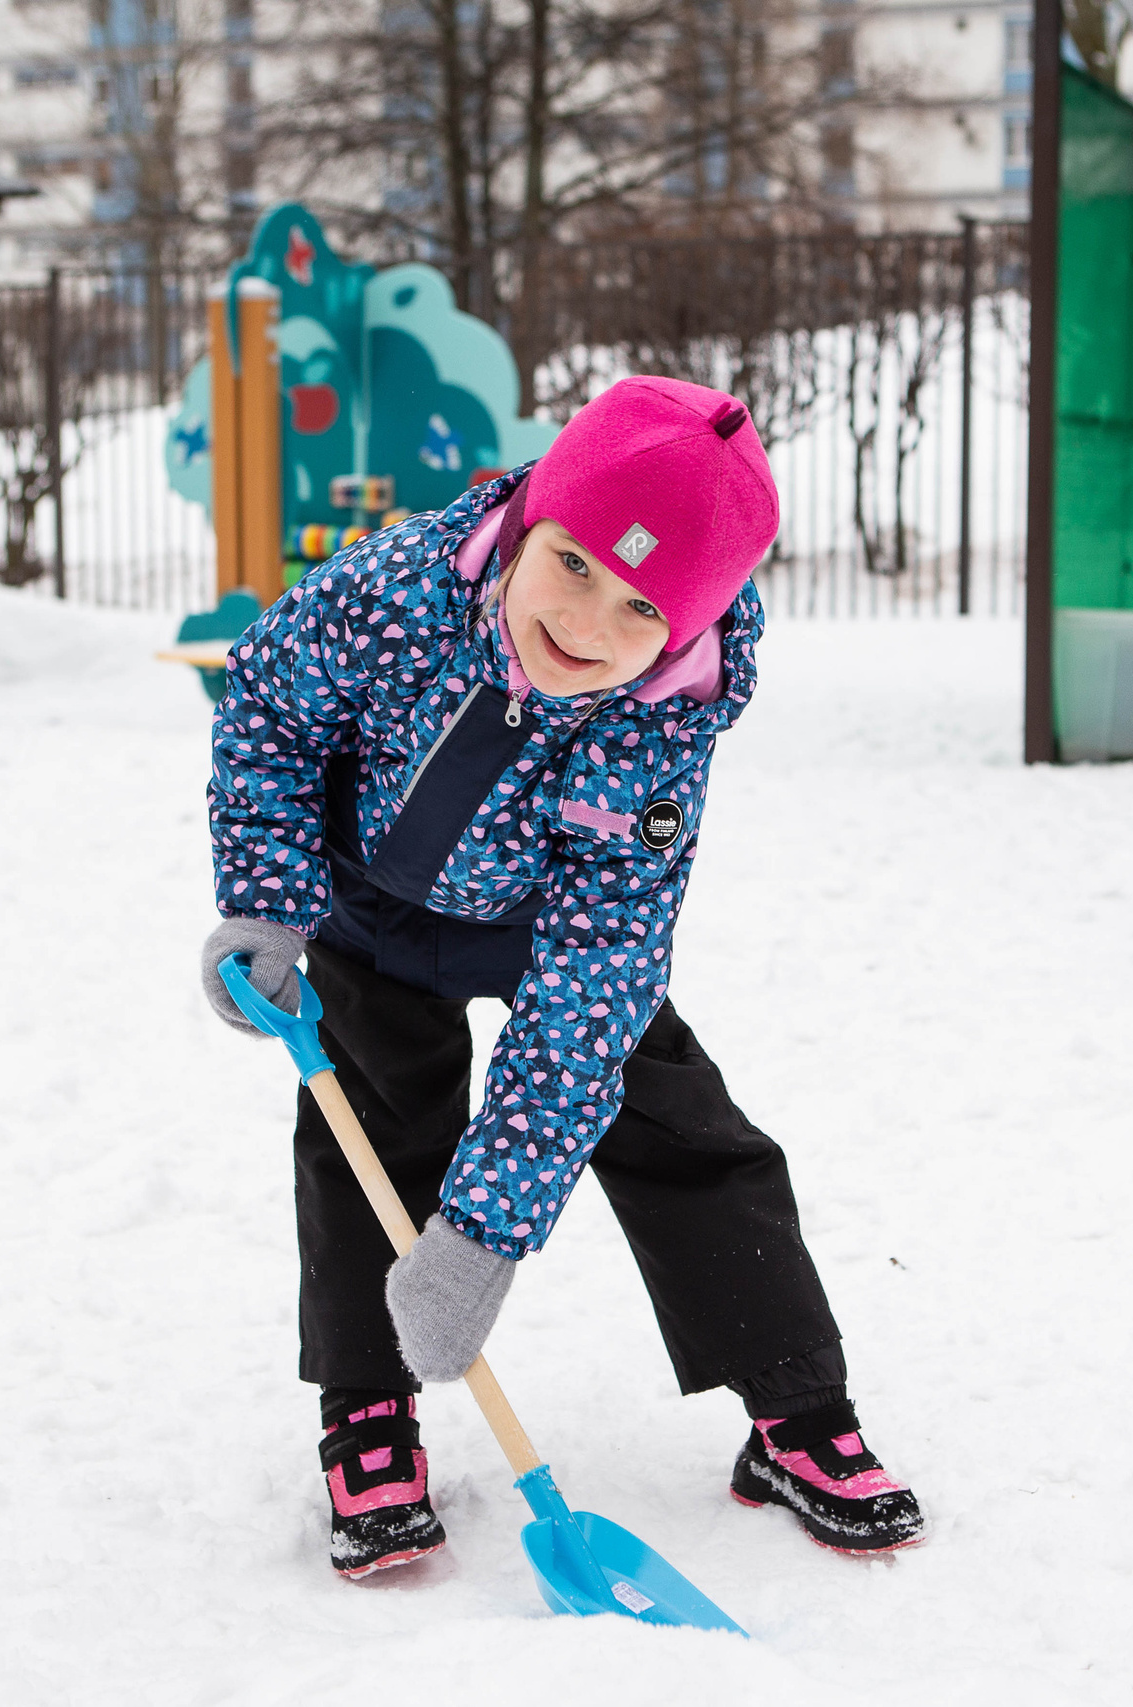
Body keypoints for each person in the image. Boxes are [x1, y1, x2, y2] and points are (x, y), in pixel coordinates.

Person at [199, 376, 925, 1577]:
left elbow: (595, 983)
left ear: (684, 632)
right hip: (368, 904)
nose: (587, 622)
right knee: (369, 1132)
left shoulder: (660, 724)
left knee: (683, 1131)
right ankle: (367, 1407)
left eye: (641, 606)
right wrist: (268, 906)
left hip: (553, 927)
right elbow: (270, 712)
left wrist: (484, 1233)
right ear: (530, 517)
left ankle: (795, 1405)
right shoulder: (396, 590)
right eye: (575, 564)